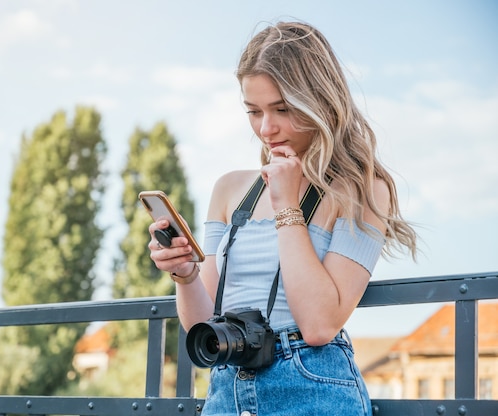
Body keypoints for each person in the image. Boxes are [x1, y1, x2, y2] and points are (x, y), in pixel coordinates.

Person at [148, 20, 417, 416]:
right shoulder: (229, 189)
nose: (266, 128)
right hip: (228, 388)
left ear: (320, 102)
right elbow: (203, 325)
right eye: (253, 112)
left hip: (313, 388)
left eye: (282, 109)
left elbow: (319, 325)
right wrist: (185, 275)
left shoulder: (363, 189)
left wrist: (287, 205)